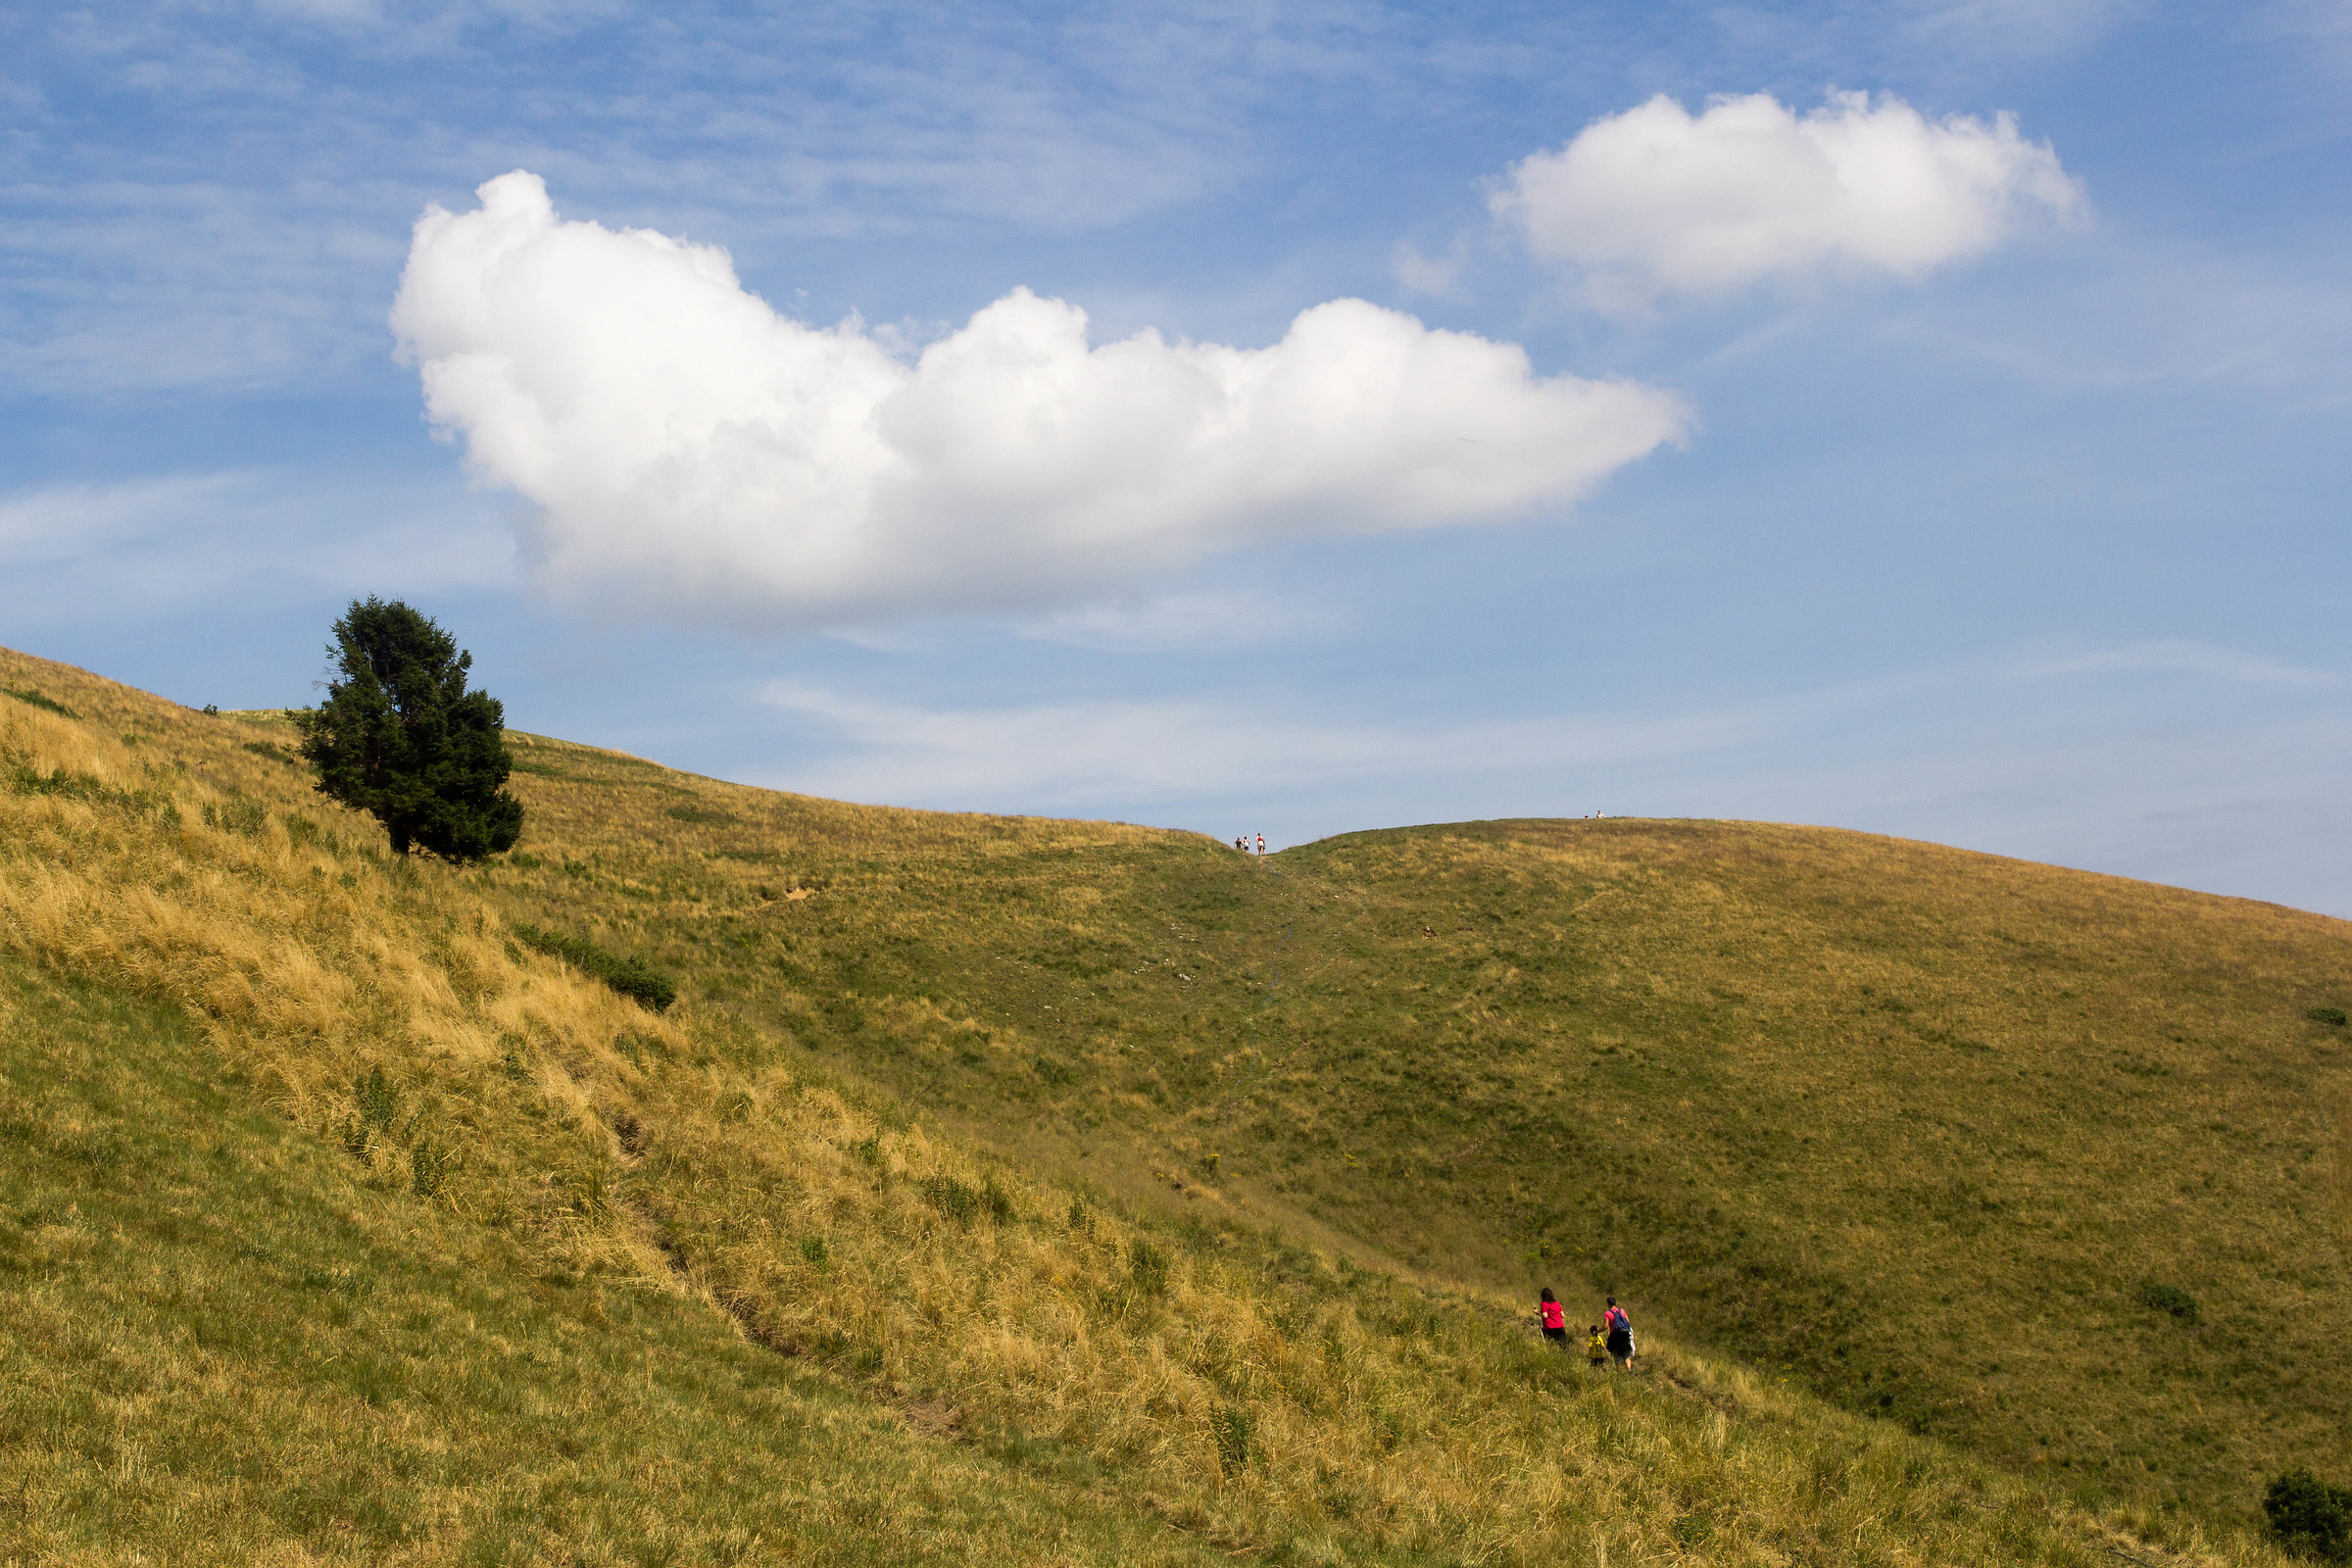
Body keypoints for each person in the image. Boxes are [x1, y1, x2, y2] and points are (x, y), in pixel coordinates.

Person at [1603, 1296, 1636, 1371]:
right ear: (1615, 1303)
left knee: (1616, 1353)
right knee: (1626, 1353)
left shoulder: (1607, 1313)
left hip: (1615, 1336)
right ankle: (1629, 1369)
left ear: (1608, 1304)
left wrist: (1597, 1331)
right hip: (1625, 1335)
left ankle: (1619, 1372)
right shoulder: (1622, 1311)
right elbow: (1628, 1322)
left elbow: (1605, 1326)